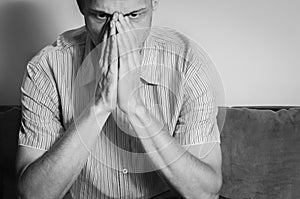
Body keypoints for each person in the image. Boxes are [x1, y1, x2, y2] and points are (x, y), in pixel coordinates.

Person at [16, 0, 223, 198]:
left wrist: (135, 108)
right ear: (81, 5)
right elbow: (33, 194)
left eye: (133, 15)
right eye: (101, 15)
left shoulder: (187, 65)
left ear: (154, 2)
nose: (116, 32)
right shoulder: (47, 68)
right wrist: (99, 106)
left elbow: (205, 192)